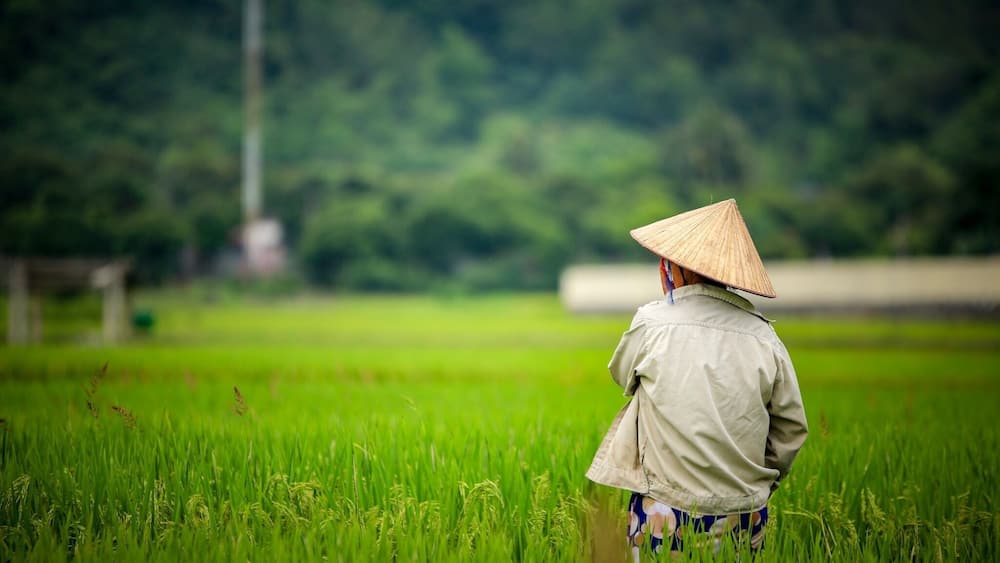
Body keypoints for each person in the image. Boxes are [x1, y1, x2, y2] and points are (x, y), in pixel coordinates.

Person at [586, 199, 808, 561]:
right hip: (744, 511)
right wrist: (755, 484)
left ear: (675, 268)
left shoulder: (653, 323)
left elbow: (622, 375)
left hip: (665, 507)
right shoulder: (764, 337)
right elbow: (790, 429)